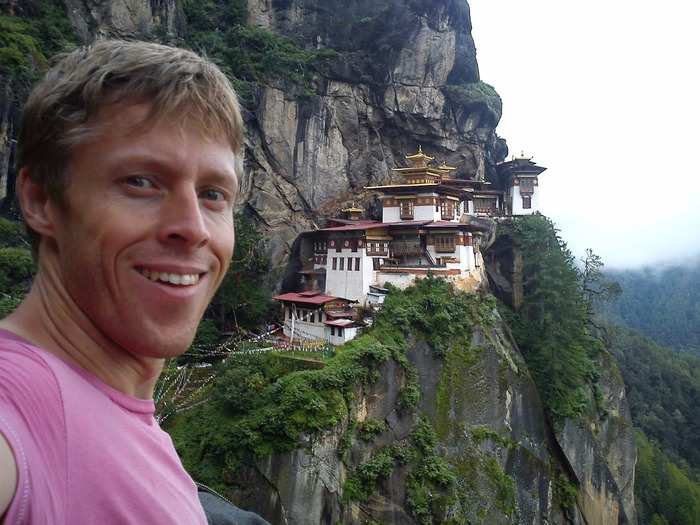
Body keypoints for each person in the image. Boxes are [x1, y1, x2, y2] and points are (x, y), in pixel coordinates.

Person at [0, 39, 246, 523]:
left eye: (213, 194)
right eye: (141, 181)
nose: (193, 227)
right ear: (41, 200)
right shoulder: (22, 406)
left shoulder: (124, 412)